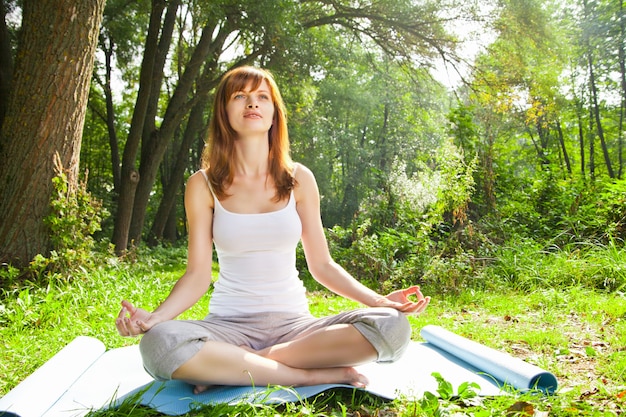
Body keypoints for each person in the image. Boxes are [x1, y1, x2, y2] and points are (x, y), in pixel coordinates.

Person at [116, 66, 430, 394]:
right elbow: (198, 275)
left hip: (297, 329)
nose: (252, 104)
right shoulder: (202, 185)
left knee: (393, 328)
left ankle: (245, 364)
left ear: (273, 114)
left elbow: (322, 266)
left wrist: (379, 300)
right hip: (227, 327)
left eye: (261, 97)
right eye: (240, 96)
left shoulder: (299, 179)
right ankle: (306, 375)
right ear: (224, 113)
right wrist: (154, 318)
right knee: (159, 344)